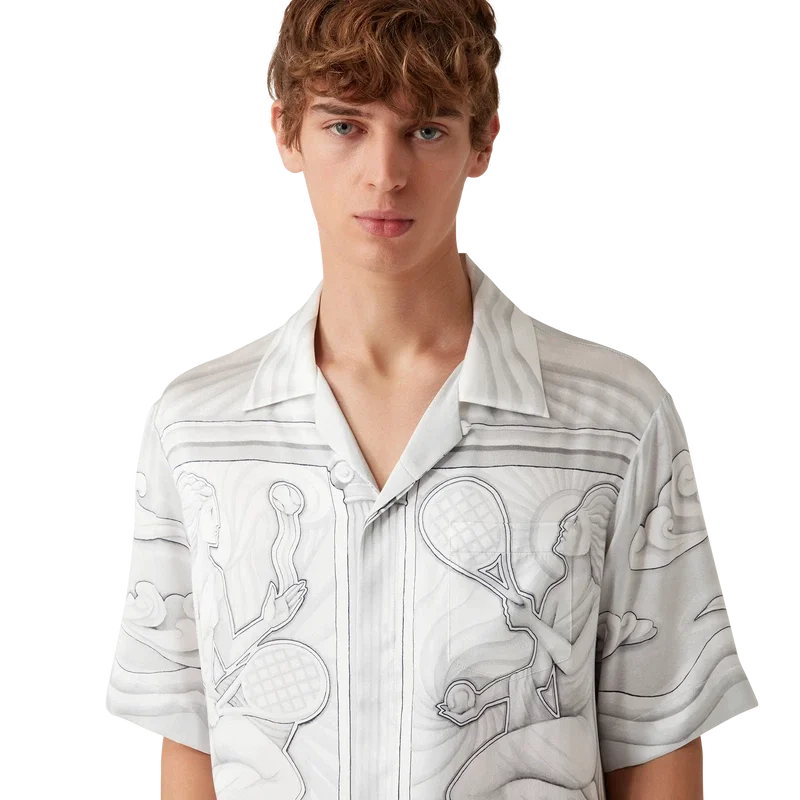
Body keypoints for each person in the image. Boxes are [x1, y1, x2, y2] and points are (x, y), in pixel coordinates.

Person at [106, 1, 759, 798]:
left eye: (425, 130)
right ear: (285, 132)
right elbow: (189, 746)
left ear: (485, 141)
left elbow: (658, 746)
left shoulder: (617, 421)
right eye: (345, 126)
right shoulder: (193, 429)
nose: (385, 173)